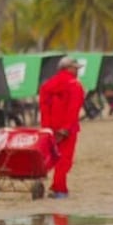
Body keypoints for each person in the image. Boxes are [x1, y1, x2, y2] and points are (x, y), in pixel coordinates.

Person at [39, 56, 86, 198]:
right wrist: (66, 128)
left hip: (51, 128)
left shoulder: (48, 84)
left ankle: (54, 186)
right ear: (68, 68)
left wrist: (47, 126)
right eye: (75, 68)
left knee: (51, 157)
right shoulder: (75, 85)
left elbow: (43, 106)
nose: (77, 71)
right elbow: (74, 109)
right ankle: (59, 189)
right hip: (67, 130)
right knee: (64, 160)